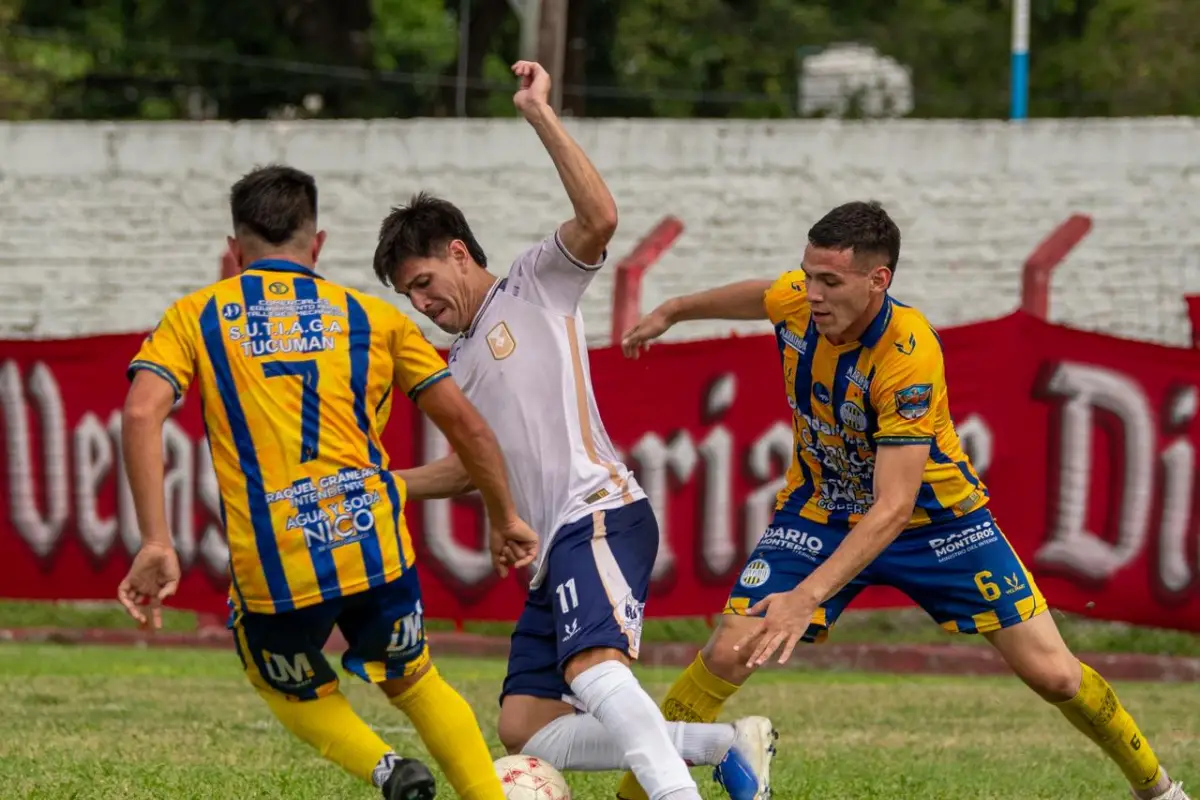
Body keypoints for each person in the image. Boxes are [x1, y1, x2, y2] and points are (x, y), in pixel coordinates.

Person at [616, 199, 1190, 800]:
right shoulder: (801, 297)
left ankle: (1158, 789)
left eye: (829, 282)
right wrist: (674, 310)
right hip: (821, 511)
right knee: (730, 648)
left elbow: (892, 508)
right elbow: (764, 295)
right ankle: (638, 794)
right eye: (808, 275)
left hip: (936, 524)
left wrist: (805, 597)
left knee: (1055, 676)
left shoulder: (908, 356)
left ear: (878, 280)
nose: (811, 293)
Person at [372, 60, 776, 800]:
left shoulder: (533, 283)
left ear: (459, 252)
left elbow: (601, 221)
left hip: (599, 513)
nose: (421, 303)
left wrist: (539, 114)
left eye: (424, 282)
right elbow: (476, 466)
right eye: (408, 296)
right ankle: (723, 747)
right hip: (555, 545)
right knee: (526, 724)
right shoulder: (456, 360)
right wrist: (388, 486)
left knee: (594, 670)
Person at [116, 164, 539, 800]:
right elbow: (471, 431)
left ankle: (389, 771)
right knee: (415, 680)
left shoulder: (197, 315)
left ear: (235, 251)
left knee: (278, 680)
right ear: (317, 245)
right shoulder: (376, 319)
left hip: (276, 561)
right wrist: (505, 517)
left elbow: (142, 411)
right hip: (374, 542)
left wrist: (155, 540)